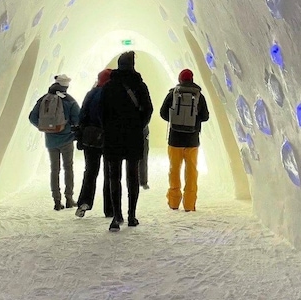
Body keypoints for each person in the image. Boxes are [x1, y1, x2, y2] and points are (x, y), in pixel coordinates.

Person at [101, 50, 153, 232]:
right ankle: (132, 215)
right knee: (133, 175)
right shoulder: (140, 86)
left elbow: (102, 112)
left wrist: (108, 128)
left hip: (113, 137)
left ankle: (116, 216)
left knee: (114, 177)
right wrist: (138, 125)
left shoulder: (108, 87)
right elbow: (148, 109)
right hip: (133, 136)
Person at [28, 74, 81, 210]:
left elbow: (32, 117)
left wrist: (46, 127)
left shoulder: (44, 99)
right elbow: (78, 119)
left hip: (51, 141)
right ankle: (69, 198)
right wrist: (68, 129)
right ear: (66, 86)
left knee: (54, 169)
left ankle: (57, 201)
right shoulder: (69, 100)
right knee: (68, 168)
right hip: (67, 139)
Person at [160, 68, 210, 212]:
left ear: (180, 79)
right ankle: (189, 204)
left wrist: (175, 120)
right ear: (192, 79)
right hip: (192, 140)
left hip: (174, 140)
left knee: (174, 170)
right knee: (191, 171)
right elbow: (205, 116)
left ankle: (174, 201)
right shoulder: (199, 96)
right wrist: (194, 120)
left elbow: (163, 112)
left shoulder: (173, 94)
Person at [75, 68, 113, 218]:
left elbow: (82, 115)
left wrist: (81, 135)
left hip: (90, 137)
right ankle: (109, 208)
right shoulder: (112, 94)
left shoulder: (91, 93)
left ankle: (84, 201)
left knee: (90, 171)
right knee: (109, 173)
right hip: (108, 138)